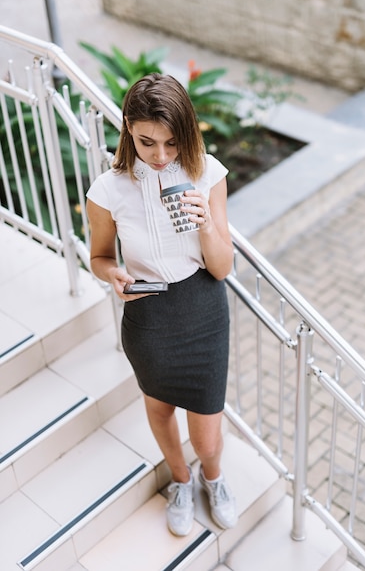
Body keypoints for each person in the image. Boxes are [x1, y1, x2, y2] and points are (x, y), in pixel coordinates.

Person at [86, 73, 237, 536]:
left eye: (172, 143)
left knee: (207, 436)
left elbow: (222, 268)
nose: (161, 156)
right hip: (149, 315)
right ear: (128, 127)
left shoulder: (206, 172)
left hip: (203, 308)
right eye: (148, 142)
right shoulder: (108, 190)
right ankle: (181, 480)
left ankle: (214, 476)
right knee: (159, 411)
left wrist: (207, 224)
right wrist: (113, 275)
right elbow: (99, 257)